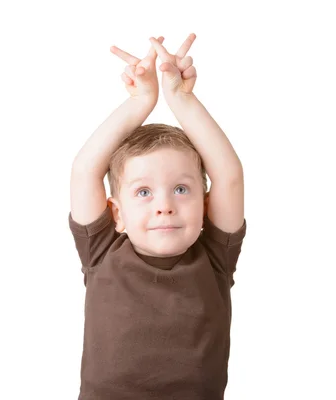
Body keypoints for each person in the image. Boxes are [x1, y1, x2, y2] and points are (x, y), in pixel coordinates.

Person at [68, 33, 246, 399]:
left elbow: (228, 175)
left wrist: (182, 98)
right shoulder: (101, 250)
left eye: (181, 189)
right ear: (116, 213)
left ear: (206, 207)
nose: (164, 205)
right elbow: (85, 170)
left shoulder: (214, 256)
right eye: (144, 192)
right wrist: (141, 101)